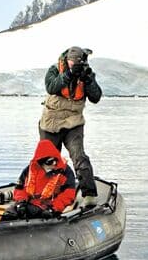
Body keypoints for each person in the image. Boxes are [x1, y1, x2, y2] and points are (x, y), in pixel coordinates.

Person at [38, 45, 101, 202]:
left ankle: (89, 195)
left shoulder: (86, 73)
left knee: (79, 157)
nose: (74, 65)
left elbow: (96, 97)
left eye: (76, 62)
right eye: (72, 62)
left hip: (74, 123)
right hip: (51, 123)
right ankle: (42, 194)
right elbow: (51, 87)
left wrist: (88, 80)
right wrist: (68, 74)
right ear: (67, 60)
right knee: (48, 159)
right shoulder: (54, 70)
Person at [12, 139, 78, 217]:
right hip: (29, 204)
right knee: (9, 214)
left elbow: (68, 195)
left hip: (48, 207)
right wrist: (21, 202)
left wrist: (54, 208)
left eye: (55, 159)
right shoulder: (29, 170)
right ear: (41, 162)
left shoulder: (65, 171)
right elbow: (20, 189)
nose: (54, 163)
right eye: (50, 161)